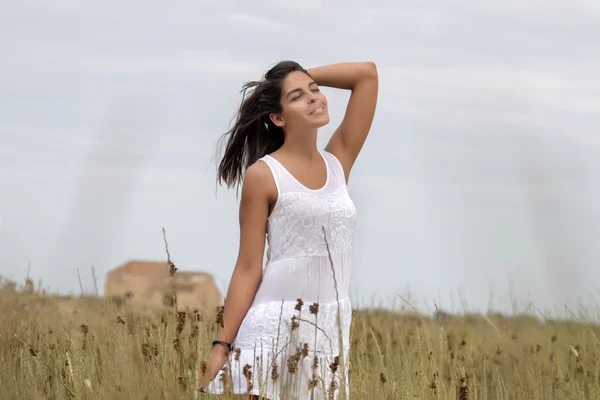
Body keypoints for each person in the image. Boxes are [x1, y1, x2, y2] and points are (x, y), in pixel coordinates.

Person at [197, 60, 378, 399]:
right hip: (274, 326)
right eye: (297, 96)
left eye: (315, 90)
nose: (314, 98)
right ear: (278, 118)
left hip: (329, 328)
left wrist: (300, 75)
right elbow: (248, 267)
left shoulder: (339, 161)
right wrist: (221, 346)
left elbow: (366, 75)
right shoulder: (264, 175)